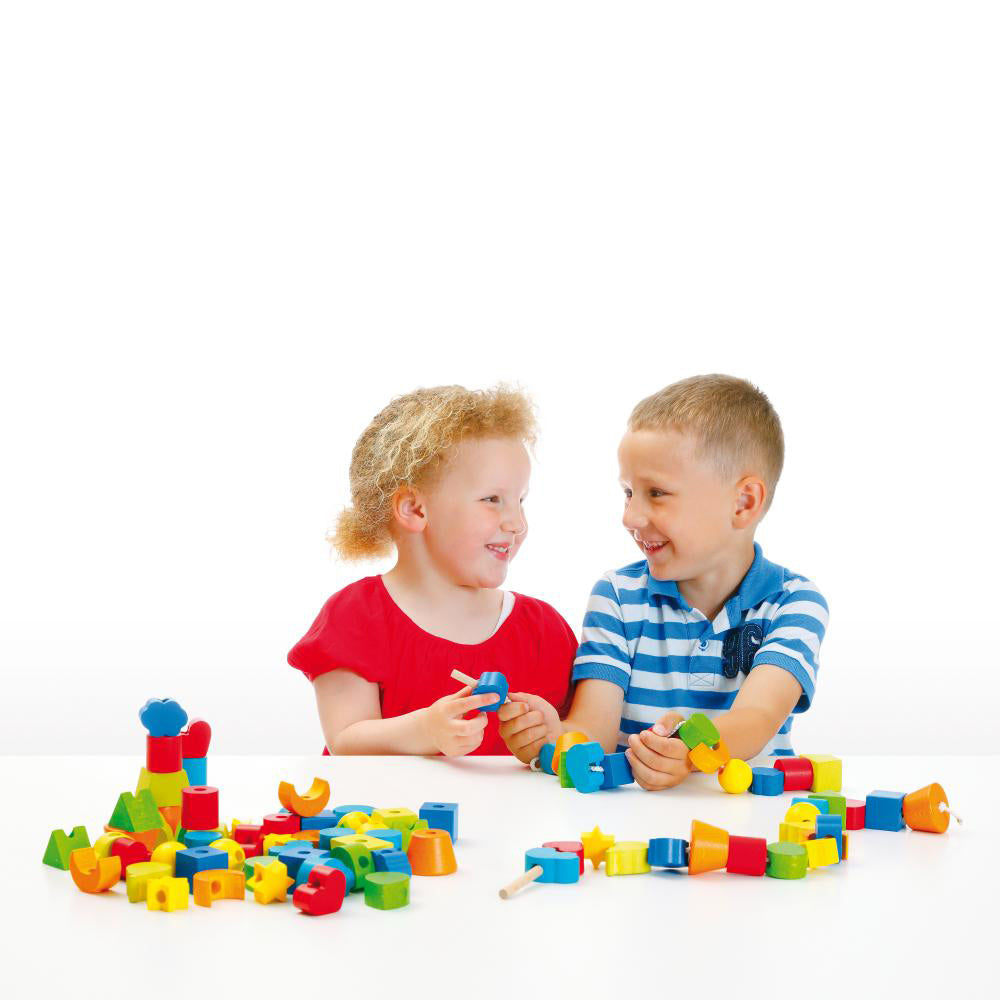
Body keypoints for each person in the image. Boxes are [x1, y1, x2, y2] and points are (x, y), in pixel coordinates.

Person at [498, 374, 830, 790]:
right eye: (628, 493)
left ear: (743, 503)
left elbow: (757, 718)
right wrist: (551, 738)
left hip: (748, 819)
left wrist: (691, 749)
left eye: (656, 493)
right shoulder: (618, 597)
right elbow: (593, 732)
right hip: (632, 828)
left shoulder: (793, 602)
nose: (631, 517)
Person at [288, 384, 577, 756]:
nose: (517, 523)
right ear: (414, 509)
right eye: (493, 500)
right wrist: (425, 731)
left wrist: (549, 732)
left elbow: (575, 741)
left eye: (520, 501)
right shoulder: (356, 617)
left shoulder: (543, 630)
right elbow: (345, 740)